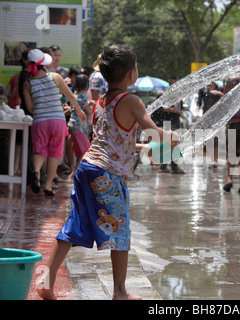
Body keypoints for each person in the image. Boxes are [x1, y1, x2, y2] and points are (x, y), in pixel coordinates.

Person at [37, 44, 177, 300]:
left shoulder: (102, 101)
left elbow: (110, 139)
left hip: (87, 167)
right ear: (130, 74)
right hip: (107, 175)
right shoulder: (132, 100)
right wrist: (171, 136)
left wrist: (142, 147)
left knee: (72, 225)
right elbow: (155, 131)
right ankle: (120, 291)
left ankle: (47, 279)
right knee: (120, 231)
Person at [23, 49, 86, 196]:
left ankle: (36, 172)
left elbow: (30, 107)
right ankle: (48, 186)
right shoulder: (55, 77)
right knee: (54, 153)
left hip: (40, 121)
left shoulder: (28, 83)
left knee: (39, 151)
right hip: (57, 120)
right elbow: (70, 96)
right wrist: (79, 110)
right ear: (44, 63)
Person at [151, 78, 186, 174]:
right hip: (168, 122)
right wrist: (178, 111)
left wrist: (180, 113)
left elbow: (179, 108)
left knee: (170, 144)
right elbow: (165, 108)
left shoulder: (179, 96)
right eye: (174, 84)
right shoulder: (167, 95)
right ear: (170, 85)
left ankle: (164, 166)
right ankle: (174, 167)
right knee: (172, 144)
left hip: (175, 122)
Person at [67, 74, 92, 178]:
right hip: (79, 127)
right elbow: (88, 113)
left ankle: (74, 173)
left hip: (72, 125)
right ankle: (75, 175)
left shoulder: (75, 95)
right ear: (87, 85)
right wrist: (91, 107)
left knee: (79, 152)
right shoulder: (83, 97)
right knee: (85, 151)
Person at [196, 81, 224, 167]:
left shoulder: (219, 87)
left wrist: (219, 93)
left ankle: (215, 160)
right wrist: (197, 113)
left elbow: (226, 98)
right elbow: (199, 102)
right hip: (207, 116)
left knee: (215, 139)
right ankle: (212, 160)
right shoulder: (203, 89)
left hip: (217, 117)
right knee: (209, 139)